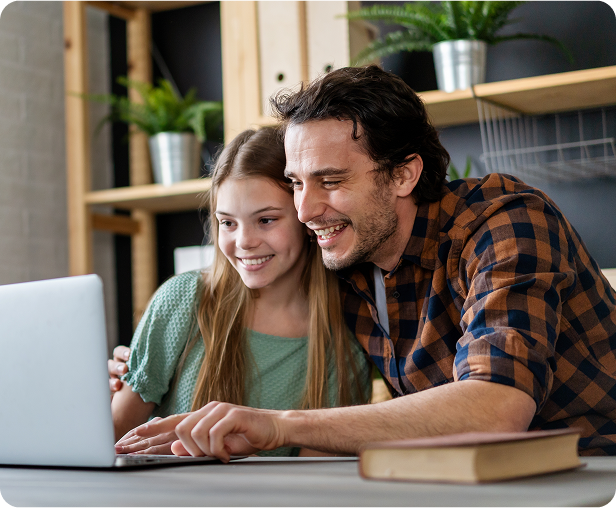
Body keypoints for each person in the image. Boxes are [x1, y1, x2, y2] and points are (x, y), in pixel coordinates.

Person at [119, 65, 616, 461]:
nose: (305, 209)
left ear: (403, 174)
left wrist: (279, 424)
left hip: (594, 466)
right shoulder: (346, 262)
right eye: (296, 182)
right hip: (476, 477)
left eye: (331, 181)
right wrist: (138, 369)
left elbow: (495, 405)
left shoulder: (502, 224)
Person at [111, 126, 371, 457]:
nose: (244, 242)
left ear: (305, 218)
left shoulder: (343, 339)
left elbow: (314, 480)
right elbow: (112, 434)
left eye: (266, 220)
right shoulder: (183, 299)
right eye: (228, 223)